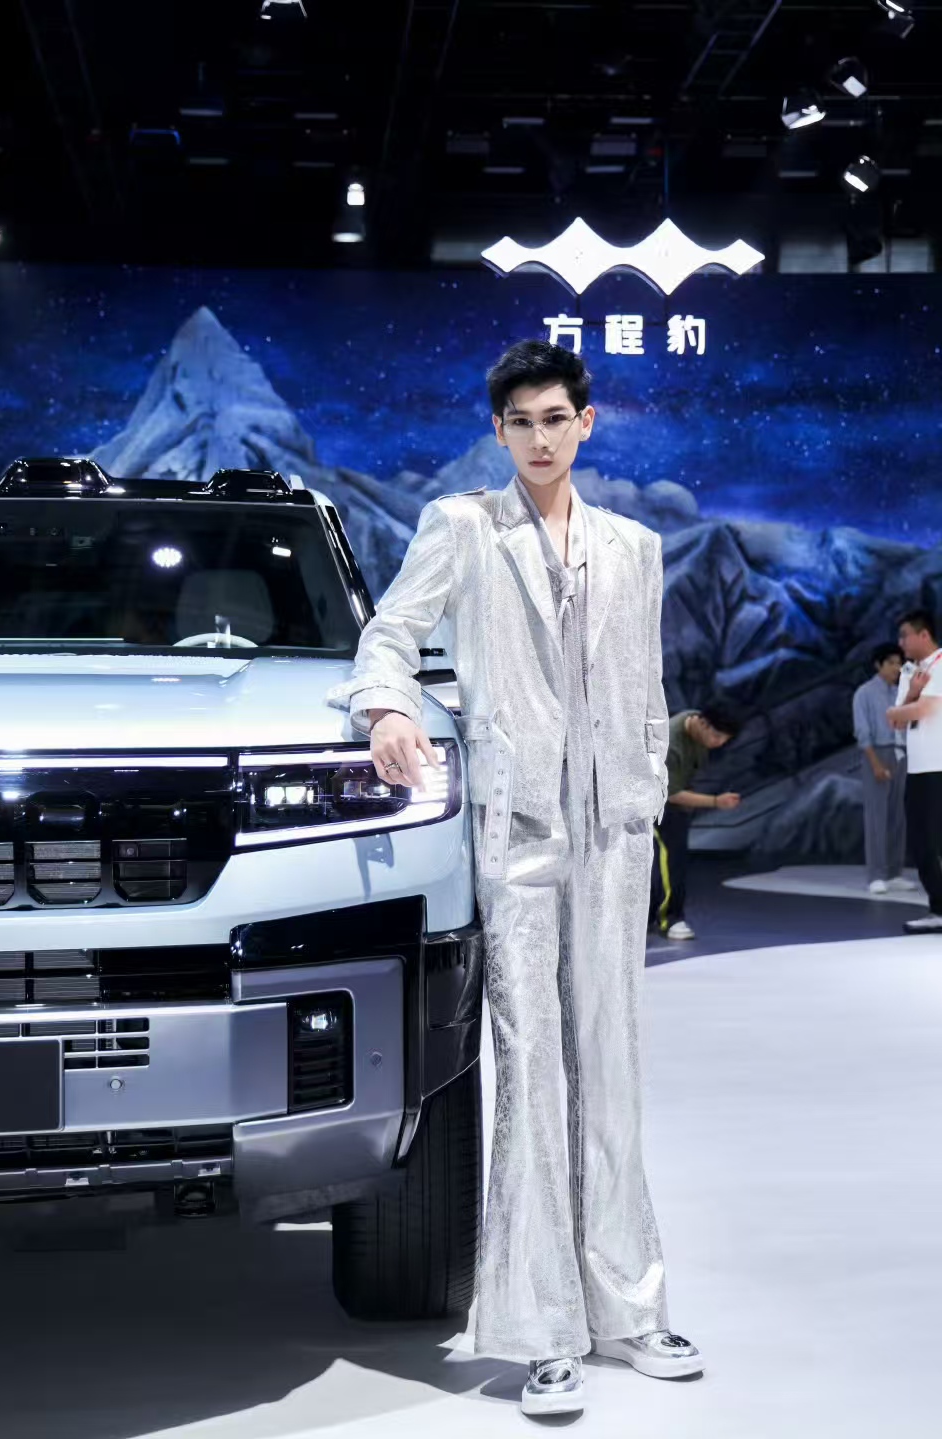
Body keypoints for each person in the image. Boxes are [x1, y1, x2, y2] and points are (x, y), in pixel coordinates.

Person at [327, 339, 703, 1417]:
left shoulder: (635, 547)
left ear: (587, 422)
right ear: (499, 432)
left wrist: (643, 785)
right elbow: (390, 634)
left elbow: (646, 683)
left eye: (555, 418)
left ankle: (630, 1307)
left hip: (613, 833)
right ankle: (542, 1329)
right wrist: (386, 708)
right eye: (521, 422)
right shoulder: (462, 526)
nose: (540, 438)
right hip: (520, 828)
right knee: (532, 1067)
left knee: (613, 1066)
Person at [649, 702, 742, 940]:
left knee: (669, 860)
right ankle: (670, 918)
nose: (719, 743)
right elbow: (669, 793)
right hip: (653, 803)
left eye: (725, 739)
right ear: (702, 723)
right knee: (670, 860)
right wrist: (716, 802)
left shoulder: (695, 726)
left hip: (673, 802)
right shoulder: (671, 742)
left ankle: (652, 914)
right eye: (717, 736)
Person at [888, 609, 942, 933]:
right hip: (918, 768)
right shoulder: (910, 671)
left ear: (924, 635)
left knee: (934, 840)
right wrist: (910, 695)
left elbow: (925, 708)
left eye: (905, 635)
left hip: (939, 766)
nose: (901, 643)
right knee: (922, 842)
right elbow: (896, 720)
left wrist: (906, 706)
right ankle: (938, 907)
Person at [852, 643, 915, 895]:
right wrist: (875, 763)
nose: (896, 668)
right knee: (877, 816)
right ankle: (876, 875)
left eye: (899, 663)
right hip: (876, 752)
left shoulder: (900, 692)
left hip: (901, 752)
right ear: (878, 665)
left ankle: (894, 873)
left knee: (898, 815)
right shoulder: (864, 693)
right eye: (891, 663)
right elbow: (862, 732)